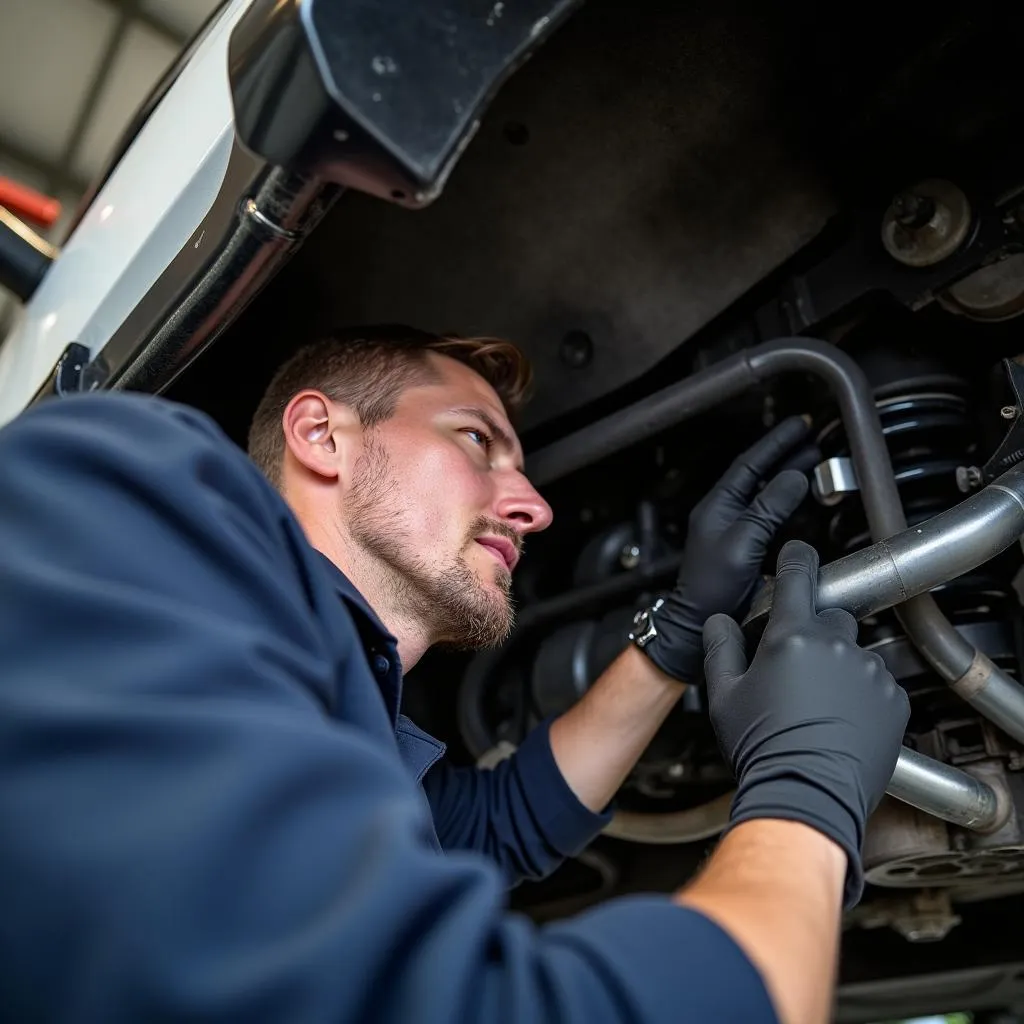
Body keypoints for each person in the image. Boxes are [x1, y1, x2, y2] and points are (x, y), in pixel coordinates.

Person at [0, 325, 909, 1024]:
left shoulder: (344, 740)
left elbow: (503, 826)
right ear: (320, 433)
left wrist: (677, 632)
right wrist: (806, 787)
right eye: (478, 441)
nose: (538, 506)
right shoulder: (132, 501)